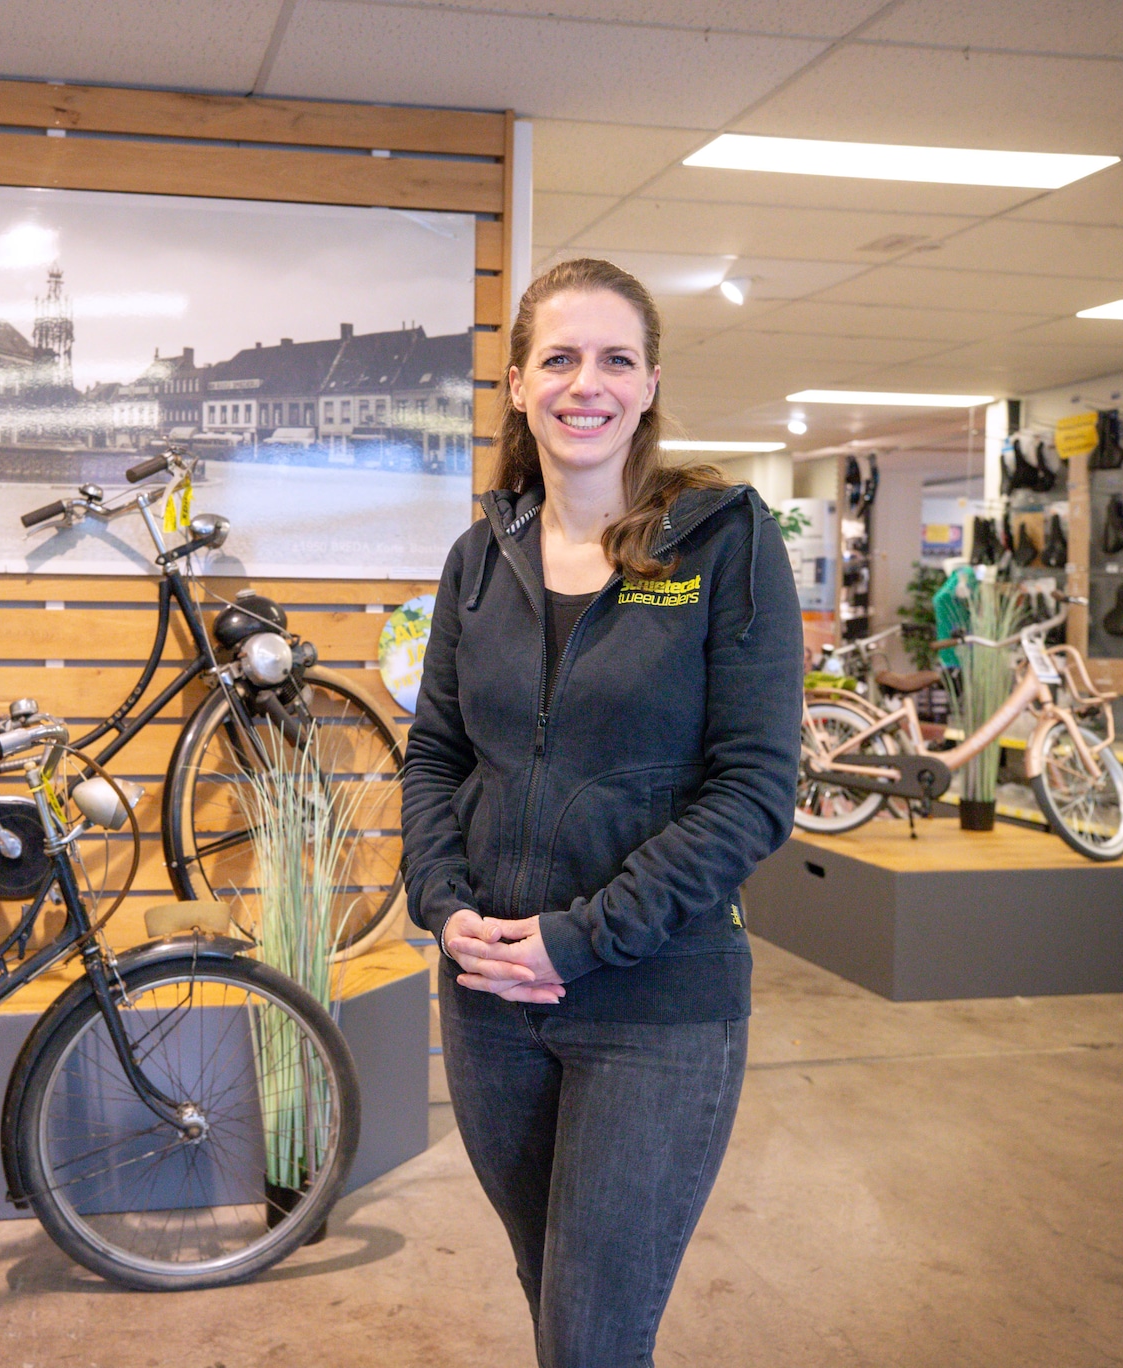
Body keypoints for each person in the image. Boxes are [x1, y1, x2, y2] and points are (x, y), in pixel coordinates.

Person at [399, 257, 803, 1367]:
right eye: (560, 359)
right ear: (520, 386)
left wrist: (579, 940)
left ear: (648, 382)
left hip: (654, 1004)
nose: (589, 383)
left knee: (587, 1338)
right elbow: (433, 753)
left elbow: (755, 790)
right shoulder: (475, 562)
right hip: (489, 1003)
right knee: (558, 1305)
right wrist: (440, 906)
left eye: (615, 358)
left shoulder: (724, 545)